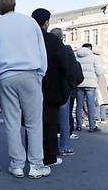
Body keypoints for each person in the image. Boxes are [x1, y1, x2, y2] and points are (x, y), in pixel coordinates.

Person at [0, 0, 50, 179]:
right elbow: (41, 51)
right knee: (34, 123)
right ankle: (36, 165)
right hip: (30, 74)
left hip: (6, 76)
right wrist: (40, 73)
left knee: (12, 123)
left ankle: (17, 164)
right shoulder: (30, 22)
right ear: (14, 1)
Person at [32, 9, 82, 167]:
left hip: (31, 85)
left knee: (32, 123)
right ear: (46, 22)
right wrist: (68, 83)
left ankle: (32, 154)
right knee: (50, 123)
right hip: (51, 86)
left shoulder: (28, 38)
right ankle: (49, 157)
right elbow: (66, 65)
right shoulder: (52, 41)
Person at [50, 28, 83, 156]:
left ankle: (50, 147)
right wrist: (71, 84)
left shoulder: (45, 47)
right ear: (62, 37)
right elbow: (73, 70)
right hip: (63, 87)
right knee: (64, 118)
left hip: (48, 87)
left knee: (49, 118)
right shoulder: (67, 49)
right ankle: (64, 146)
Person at [75, 43, 104, 132]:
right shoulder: (94, 57)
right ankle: (92, 126)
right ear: (90, 49)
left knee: (79, 106)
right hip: (91, 84)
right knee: (91, 105)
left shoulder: (77, 57)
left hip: (79, 84)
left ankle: (79, 125)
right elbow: (99, 71)